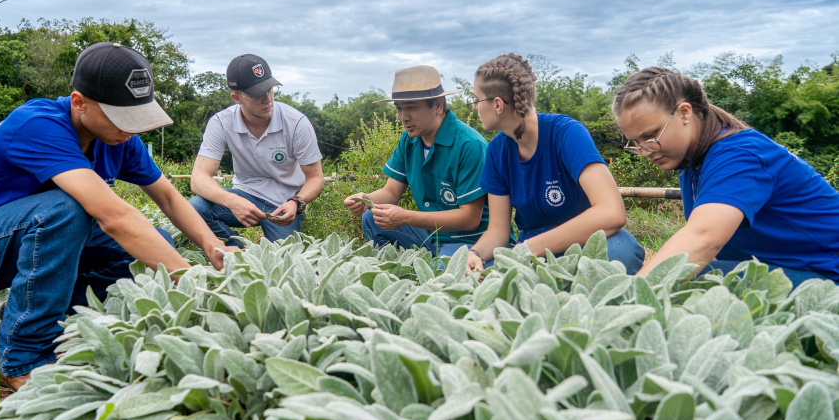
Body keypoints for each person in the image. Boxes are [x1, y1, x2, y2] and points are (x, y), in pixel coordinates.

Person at [0, 42, 233, 390]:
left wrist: (213, 245)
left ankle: (40, 315)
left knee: (154, 245)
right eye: (121, 118)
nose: (131, 129)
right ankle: (22, 359)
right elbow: (112, 216)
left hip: (26, 243)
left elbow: (167, 195)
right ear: (79, 102)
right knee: (67, 208)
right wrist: (187, 279)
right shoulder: (36, 124)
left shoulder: (118, 140)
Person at [612, 66, 839, 284]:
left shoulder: (739, 155)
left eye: (650, 136)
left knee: (696, 281)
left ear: (684, 113)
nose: (644, 151)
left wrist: (628, 299)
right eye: (635, 143)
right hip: (789, 270)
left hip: (826, 274)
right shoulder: (690, 163)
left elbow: (703, 238)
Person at [465, 53, 644, 274]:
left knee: (621, 251)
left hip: (583, 241)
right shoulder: (496, 151)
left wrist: (531, 248)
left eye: (476, 99)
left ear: (498, 105)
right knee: (485, 271)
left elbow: (612, 212)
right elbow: (498, 232)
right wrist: (474, 254)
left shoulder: (567, 133)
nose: (474, 107)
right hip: (533, 252)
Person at [344, 65, 489, 257]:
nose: (403, 117)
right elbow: (391, 191)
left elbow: (470, 218)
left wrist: (406, 217)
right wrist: (366, 200)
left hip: (469, 240)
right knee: (371, 217)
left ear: (437, 106)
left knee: (439, 279)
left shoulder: (469, 144)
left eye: (411, 108)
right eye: (399, 109)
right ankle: (397, 272)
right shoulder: (410, 139)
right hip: (430, 235)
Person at [190, 54, 324, 244]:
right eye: (256, 94)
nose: (267, 98)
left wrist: (296, 202)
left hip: (284, 203)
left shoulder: (296, 123)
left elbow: (315, 177)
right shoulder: (221, 123)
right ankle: (238, 256)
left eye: (269, 89)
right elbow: (198, 179)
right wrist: (231, 201)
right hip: (245, 193)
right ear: (237, 98)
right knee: (195, 208)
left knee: (285, 259)